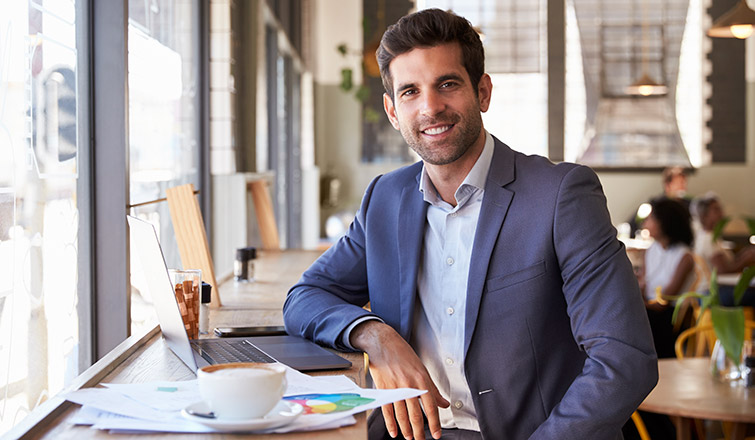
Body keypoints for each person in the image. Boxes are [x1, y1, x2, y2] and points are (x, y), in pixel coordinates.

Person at [283, 9, 657, 440]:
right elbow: (305, 297)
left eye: (447, 84)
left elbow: (625, 358)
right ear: (391, 110)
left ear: (482, 92)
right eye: (409, 92)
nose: (430, 107)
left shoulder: (560, 195)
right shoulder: (384, 199)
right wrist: (377, 337)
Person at [636, 197, 695, 358]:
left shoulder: (684, 257)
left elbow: (664, 301)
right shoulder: (650, 250)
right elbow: (642, 281)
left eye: (651, 218)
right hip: (649, 308)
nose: (646, 223)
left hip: (670, 317)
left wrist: (640, 301)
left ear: (665, 222)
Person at [691, 192, 755, 277]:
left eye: (720, 209)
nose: (722, 213)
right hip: (723, 287)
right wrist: (746, 260)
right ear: (704, 216)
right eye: (716, 210)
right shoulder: (708, 239)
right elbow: (723, 271)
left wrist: (744, 255)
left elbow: (728, 264)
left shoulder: (710, 236)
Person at [627, 166, 692, 237]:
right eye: (679, 184)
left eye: (684, 183)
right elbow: (633, 225)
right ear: (667, 186)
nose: (683, 187)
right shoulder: (656, 204)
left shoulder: (689, 204)